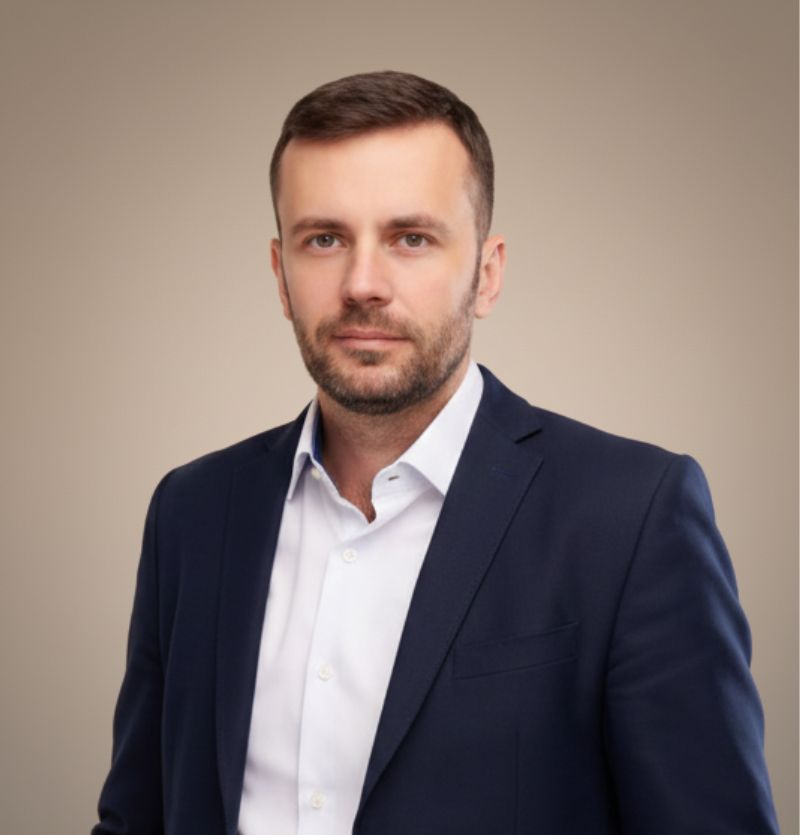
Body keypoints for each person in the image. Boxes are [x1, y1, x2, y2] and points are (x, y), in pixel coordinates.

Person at [92, 71, 779, 835]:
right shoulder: (191, 512)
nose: (362, 284)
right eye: (325, 239)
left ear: (487, 272)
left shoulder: (631, 516)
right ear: (281, 275)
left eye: (410, 238)